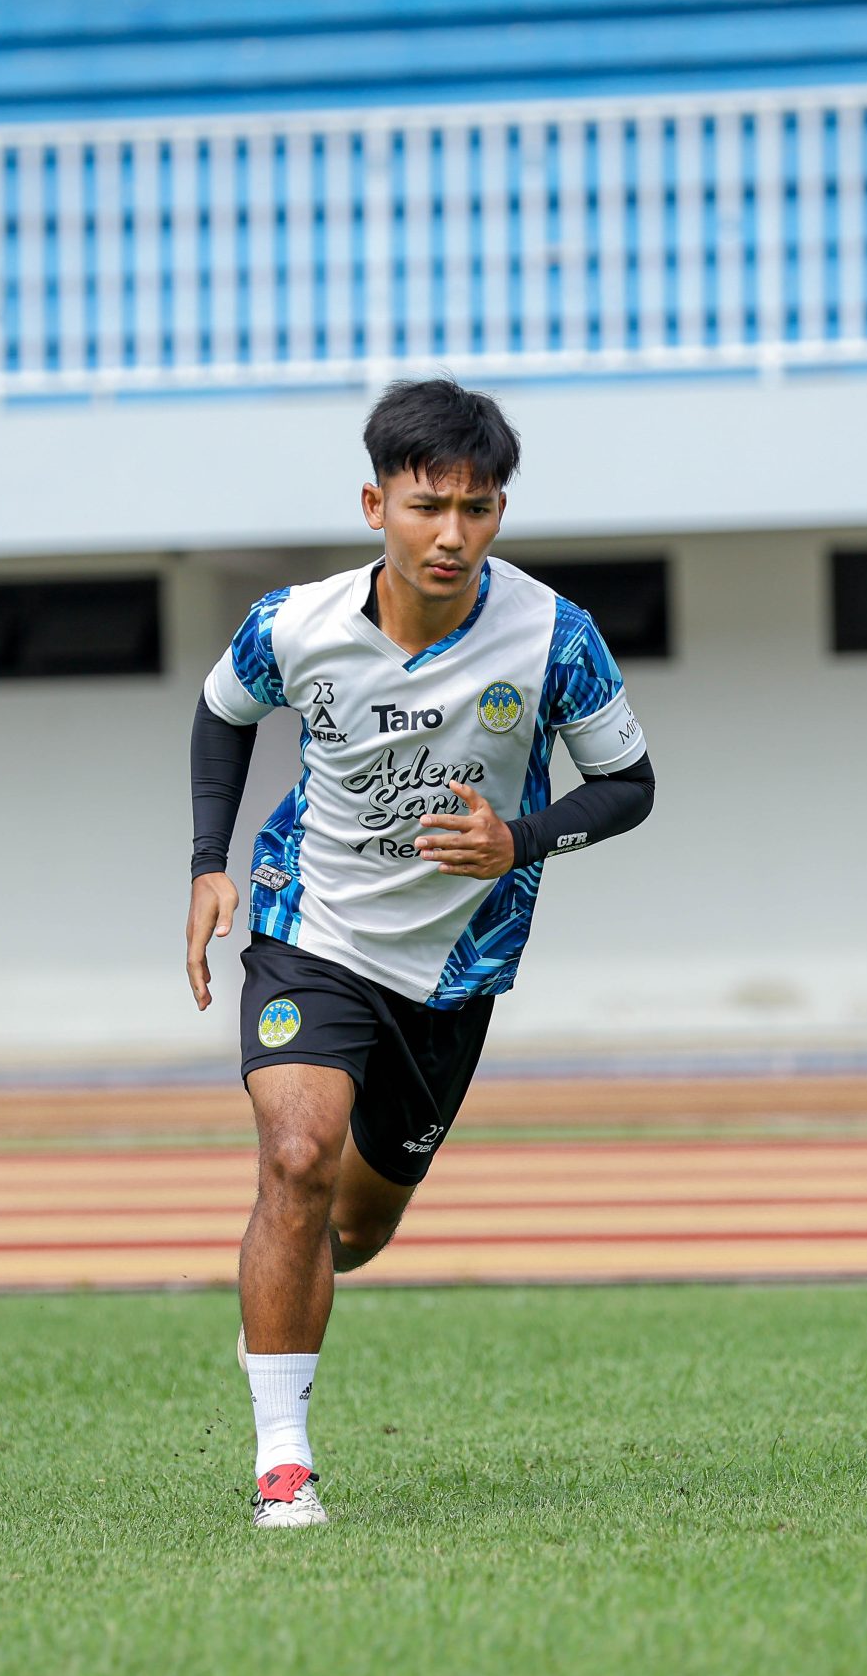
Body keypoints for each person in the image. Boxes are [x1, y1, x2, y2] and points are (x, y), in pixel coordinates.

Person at [185, 378, 657, 1528]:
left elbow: (631, 784)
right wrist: (209, 859)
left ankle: (297, 1268)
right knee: (294, 1159)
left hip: (452, 974)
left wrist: (522, 839)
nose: (452, 534)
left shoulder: (553, 637)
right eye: (427, 505)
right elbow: (221, 710)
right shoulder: (295, 624)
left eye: (479, 508)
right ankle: (282, 1456)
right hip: (312, 929)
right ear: (374, 505)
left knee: (354, 1225)